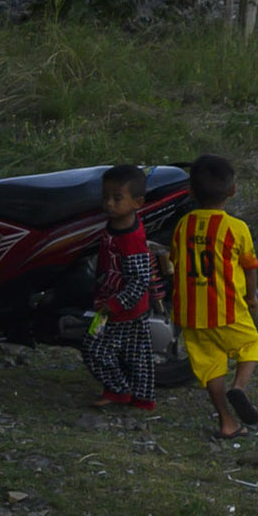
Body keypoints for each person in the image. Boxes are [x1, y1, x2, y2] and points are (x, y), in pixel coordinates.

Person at [168, 153, 258, 439]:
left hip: (190, 313)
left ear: (190, 191)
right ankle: (240, 387)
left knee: (210, 366)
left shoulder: (183, 225)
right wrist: (252, 298)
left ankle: (226, 421)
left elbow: (174, 260)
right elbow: (249, 269)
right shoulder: (237, 229)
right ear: (232, 190)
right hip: (227, 310)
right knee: (250, 345)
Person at [80, 162, 161, 411]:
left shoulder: (130, 239)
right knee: (136, 355)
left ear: (138, 203)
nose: (109, 204)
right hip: (116, 305)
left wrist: (113, 304)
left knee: (94, 346)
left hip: (120, 309)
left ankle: (118, 390)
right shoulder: (117, 226)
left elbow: (139, 279)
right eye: (106, 198)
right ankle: (136, 395)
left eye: (117, 198)